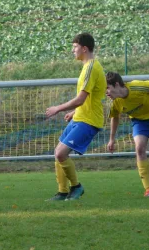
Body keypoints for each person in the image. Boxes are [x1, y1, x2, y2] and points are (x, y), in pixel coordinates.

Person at [45, 33, 106, 201]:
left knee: (60, 153)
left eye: (75, 47)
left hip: (89, 120)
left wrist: (57, 108)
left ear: (84, 48)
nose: (73, 50)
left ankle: (77, 187)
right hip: (80, 117)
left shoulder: (91, 67)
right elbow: (89, 98)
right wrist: (73, 113)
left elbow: (80, 99)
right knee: (58, 154)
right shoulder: (87, 66)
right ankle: (62, 192)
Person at [105, 72, 149, 196]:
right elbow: (115, 117)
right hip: (140, 121)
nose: (106, 92)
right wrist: (111, 139)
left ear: (117, 84)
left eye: (108, 88)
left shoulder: (137, 86)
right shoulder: (115, 102)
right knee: (139, 148)